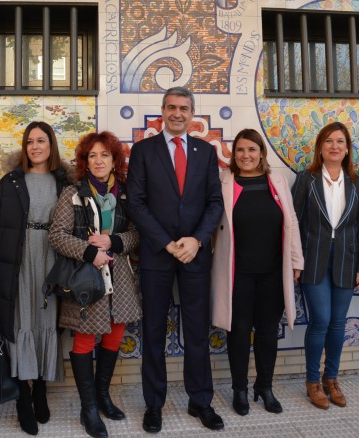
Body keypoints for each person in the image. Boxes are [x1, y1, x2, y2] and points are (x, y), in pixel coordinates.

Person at [127, 87, 224, 433]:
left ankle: (201, 401)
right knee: (153, 330)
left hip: (196, 255)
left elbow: (215, 202)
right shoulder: (143, 151)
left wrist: (196, 240)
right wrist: (168, 244)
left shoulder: (206, 152)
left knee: (196, 332)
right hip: (157, 255)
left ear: (192, 112)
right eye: (172, 107)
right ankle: (154, 404)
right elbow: (135, 203)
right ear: (162, 111)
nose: (178, 113)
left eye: (184, 108)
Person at [49, 131, 141, 438]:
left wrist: (113, 241)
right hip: (87, 278)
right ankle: (88, 408)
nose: (99, 161)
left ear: (115, 160)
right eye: (92, 156)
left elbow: (136, 233)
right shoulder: (72, 193)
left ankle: (103, 397)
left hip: (121, 278)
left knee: (114, 335)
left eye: (105, 155)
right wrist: (91, 252)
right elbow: (58, 236)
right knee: (85, 339)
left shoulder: (126, 193)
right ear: (84, 162)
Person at [0, 121, 69, 435]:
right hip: (17, 262)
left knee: (47, 321)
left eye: (41, 141)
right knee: (19, 324)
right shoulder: (10, 182)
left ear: (51, 145)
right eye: (30, 141)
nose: (35, 147)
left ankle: (41, 388)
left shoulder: (64, 182)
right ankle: (22, 396)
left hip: (52, 260)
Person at [211, 129, 304, 416]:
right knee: (238, 332)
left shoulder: (276, 181)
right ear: (233, 154)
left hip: (272, 273)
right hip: (236, 273)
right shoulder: (223, 181)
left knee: (267, 333)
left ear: (261, 152)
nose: (246, 155)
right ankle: (239, 388)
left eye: (252, 149)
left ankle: (264, 387)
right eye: (240, 150)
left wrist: (296, 260)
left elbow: (292, 222)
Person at [292, 121, 359, 410]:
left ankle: (331, 378)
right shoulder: (306, 179)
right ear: (320, 148)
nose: (334, 146)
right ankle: (312, 380)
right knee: (321, 321)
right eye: (328, 141)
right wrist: (294, 261)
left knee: (338, 323)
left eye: (340, 141)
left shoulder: (357, 182)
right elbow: (294, 223)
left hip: (347, 262)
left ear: (347, 148)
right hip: (313, 260)